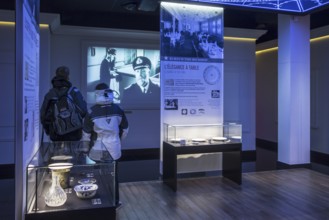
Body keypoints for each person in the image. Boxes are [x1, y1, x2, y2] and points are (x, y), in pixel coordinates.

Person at [82, 83, 129, 208]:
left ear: (97, 94)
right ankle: (115, 202)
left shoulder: (91, 111)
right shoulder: (118, 109)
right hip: (114, 148)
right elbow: (125, 130)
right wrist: (117, 141)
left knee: (97, 176)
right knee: (114, 177)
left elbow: (86, 134)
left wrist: (85, 149)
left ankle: (98, 203)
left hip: (97, 149)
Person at [40, 66, 88, 142]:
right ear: (68, 76)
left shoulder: (50, 94)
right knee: (73, 153)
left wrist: (48, 131)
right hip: (74, 132)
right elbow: (84, 111)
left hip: (56, 134)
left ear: (56, 75)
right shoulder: (74, 92)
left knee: (57, 153)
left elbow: (43, 116)